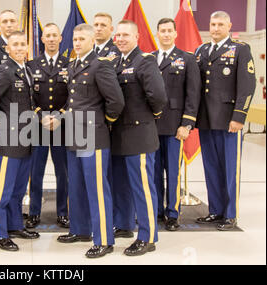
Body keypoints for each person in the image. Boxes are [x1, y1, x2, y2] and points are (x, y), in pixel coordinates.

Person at [55, 24, 125, 258]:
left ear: (93, 39)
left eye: (82, 39)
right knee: (76, 186)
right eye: (74, 39)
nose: (76, 43)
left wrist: (101, 122)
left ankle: (104, 239)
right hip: (73, 134)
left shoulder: (101, 64)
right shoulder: (73, 63)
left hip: (93, 136)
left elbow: (115, 101)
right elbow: (74, 102)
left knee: (96, 188)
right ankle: (80, 229)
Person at [0, 31, 40, 252]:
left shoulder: (27, 70)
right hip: (9, 140)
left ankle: (14, 225)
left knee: (18, 189)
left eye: (23, 44)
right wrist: (2, 127)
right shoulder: (3, 71)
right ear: (7, 48)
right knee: (2, 190)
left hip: (27, 139)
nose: (20, 48)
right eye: (15, 45)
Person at [195, 11, 256, 230]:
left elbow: (247, 86)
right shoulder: (201, 51)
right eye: (213, 24)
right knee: (211, 167)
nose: (216, 28)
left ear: (229, 26)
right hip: (206, 120)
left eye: (221, 24)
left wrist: (239, 116)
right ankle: (215, 210)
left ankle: (230, 214)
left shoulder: (240, 50)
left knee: (230, 169)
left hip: (229, 120)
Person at [111, 20, 167, 256]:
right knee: (122, 186)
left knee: (142, 188)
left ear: (137, 36)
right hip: (120, 136)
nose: (121, 39)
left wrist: (149, 117)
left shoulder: (144, 61)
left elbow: (159, 97)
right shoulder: (116, 62)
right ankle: (124, 225)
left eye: (125, 34)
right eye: (118, 35)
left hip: (140, 134)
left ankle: (148, 236)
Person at [153, 18, 201, 231]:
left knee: (173, 172)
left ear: (175, 34)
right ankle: (155, 210)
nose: (165, 34)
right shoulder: (148, 58)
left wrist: (187, 124)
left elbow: (193, 93)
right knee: (153, 172)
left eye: (169, 31)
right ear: (157, 33)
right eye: (162, 30)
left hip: (175, 127)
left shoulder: (186, 59)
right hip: (151, 127)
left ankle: (173, 213)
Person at [26, 23, 69, 229]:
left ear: (60, 38)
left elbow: (74, 95)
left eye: (55, 35)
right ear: (42, 40)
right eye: (47, 36)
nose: (51, 39)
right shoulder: (31, 65)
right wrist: (41, 116)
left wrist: (59, 116)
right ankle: (34, 212)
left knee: (63, 172)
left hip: (62, 127)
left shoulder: (69, 64)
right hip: (38, 126)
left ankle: (63, 213)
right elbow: (28, 96)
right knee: (36, 171)